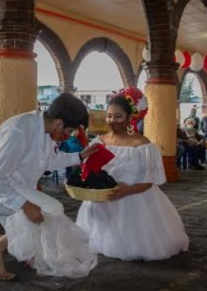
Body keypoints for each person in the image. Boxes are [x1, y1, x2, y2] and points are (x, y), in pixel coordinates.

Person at [0, 93, 98, 280]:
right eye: (69, 131)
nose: (67, 136)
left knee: (30, 236)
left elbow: (49, 160)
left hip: (12, 185)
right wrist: (24, 204)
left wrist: (79, 156)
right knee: (49, 212)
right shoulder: (19, 130)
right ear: (59, 123)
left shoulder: (45, 129)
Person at [76, 89, 189, 261]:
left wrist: (127, 190)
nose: (112, 121)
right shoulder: (98, 143)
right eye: (109, 116)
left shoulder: (142, 145)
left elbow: (150, 181)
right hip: (103, 201)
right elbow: (89, 171)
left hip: (136, 201)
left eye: (118, 116)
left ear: (130, 118)